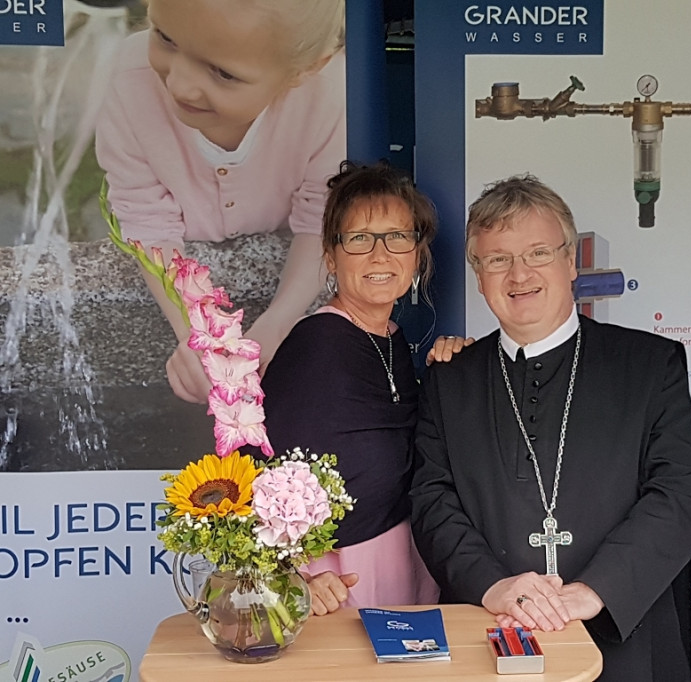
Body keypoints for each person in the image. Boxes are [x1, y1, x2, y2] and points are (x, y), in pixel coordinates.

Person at [410, 174, 691, 682]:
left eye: (538, 253)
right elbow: (431, 499)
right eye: (497, 259)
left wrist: (592, 592)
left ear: (571, 262)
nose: (518, 273)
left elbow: (678, 494)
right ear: (479, 277)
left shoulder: (649, 364)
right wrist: (493, 585)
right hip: (493, 631)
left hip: (624, 634)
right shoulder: (449, 380)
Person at [95, 0, 346, 404]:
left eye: (224, 73)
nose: (179, 84)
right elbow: (146, 217)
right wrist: (197, 332)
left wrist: (279, 321)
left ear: (306, 69)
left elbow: (322, 214)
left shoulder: (333, 94)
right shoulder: (130, 78)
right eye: (165, 37)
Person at [259, 160, 457, 615]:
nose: (380, 255)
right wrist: (296, 575)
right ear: (331, 256)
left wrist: (454, 365)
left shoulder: (391, 337)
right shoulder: (317, 344)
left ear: (417, 254)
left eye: (398, 237)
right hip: (338, 578)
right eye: (360, 239)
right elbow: (259, 467)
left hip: (401, 557)